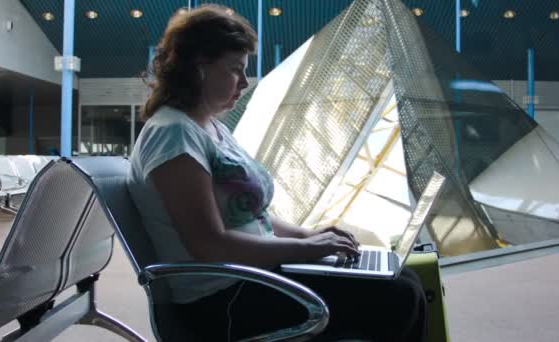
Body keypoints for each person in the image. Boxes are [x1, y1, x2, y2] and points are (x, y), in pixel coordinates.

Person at [127, 4, 426, 341]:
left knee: (406, 280)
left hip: (252, 279)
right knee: (399, 297)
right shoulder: (172, 134)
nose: (244, 82)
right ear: (199, 67)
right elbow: (208, 245)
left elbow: (253, 217)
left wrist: (309, 235)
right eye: (235, 69)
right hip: (222, 300)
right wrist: (307, 250)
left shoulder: (209, 128)